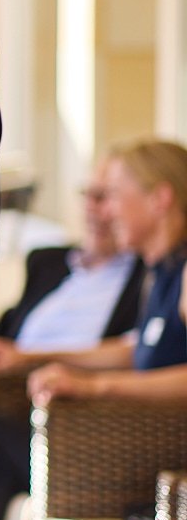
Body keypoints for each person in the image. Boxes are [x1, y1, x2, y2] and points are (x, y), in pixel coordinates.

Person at [0, 164, 142, 520]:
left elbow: (134, 351)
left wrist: (28, 360)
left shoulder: (143, 275)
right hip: (8, 400)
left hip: (74, 419)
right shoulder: (49, 262)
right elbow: (3, 327)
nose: (97, 210)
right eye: (88, 196)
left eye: (106, 198)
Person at [28, 139, 187, 403]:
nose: (107, 212)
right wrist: (31, 358)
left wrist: (94, 386)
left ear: (159, 199)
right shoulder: (156, 272)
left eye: (112, 195)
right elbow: (139, 349)